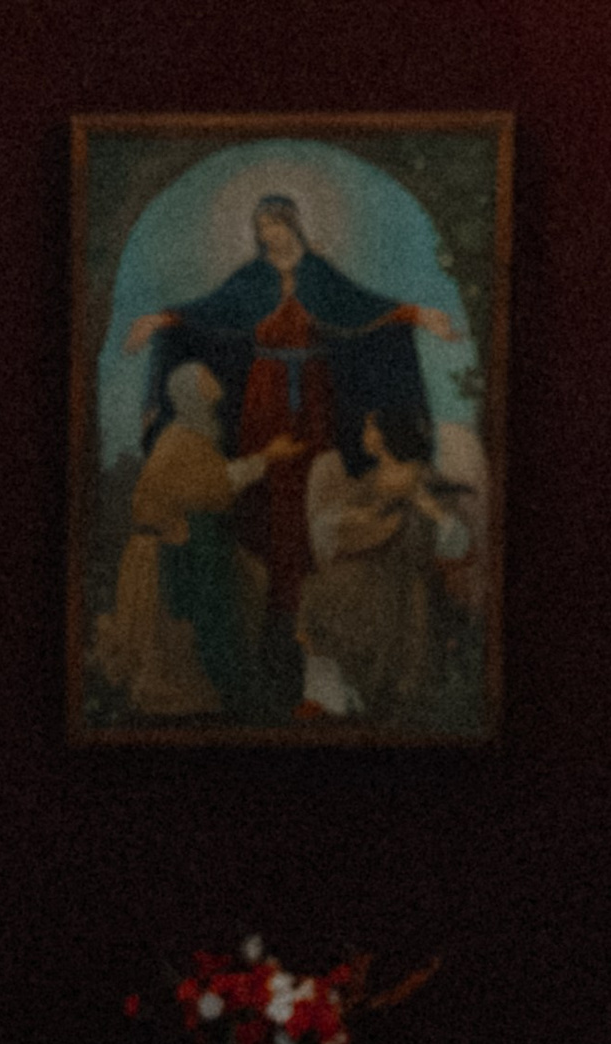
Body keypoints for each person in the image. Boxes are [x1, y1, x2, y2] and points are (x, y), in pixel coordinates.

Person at [123, 196, 456, 642]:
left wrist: (419, 315)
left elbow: (363, 307)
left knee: (310, 481)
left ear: (291, 223)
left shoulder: (318, 272)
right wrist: (159, 320)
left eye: (275, 224)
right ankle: (268, 604)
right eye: (261, 225)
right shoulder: (252, 278)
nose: (268, 233)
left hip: (315, 394)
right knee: (266, 485)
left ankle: (311, 600)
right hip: (264, 395)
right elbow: (208, 312)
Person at [92, 359, 300, 717]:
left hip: (180, 543)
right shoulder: (181, 439)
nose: (212, 377)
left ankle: (221, 686)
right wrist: (268, 456)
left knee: (249, 578)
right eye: (204, 376)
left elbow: (212, 481)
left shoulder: (195, 435)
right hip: (161, 556)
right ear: (190, 393)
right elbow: (215, 488)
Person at [293, 408, 465, 723]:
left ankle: (351, 694)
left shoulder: (425, 478)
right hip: (366, 569)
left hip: (406, 579)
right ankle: (330, 697)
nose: (365, 434)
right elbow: (337, 519)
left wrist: (433, 512)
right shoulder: (373, 479)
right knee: (320, 591)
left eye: (371, 428)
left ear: (388, 435)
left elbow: (456, 543)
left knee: (336, 596)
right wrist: (356, 519)